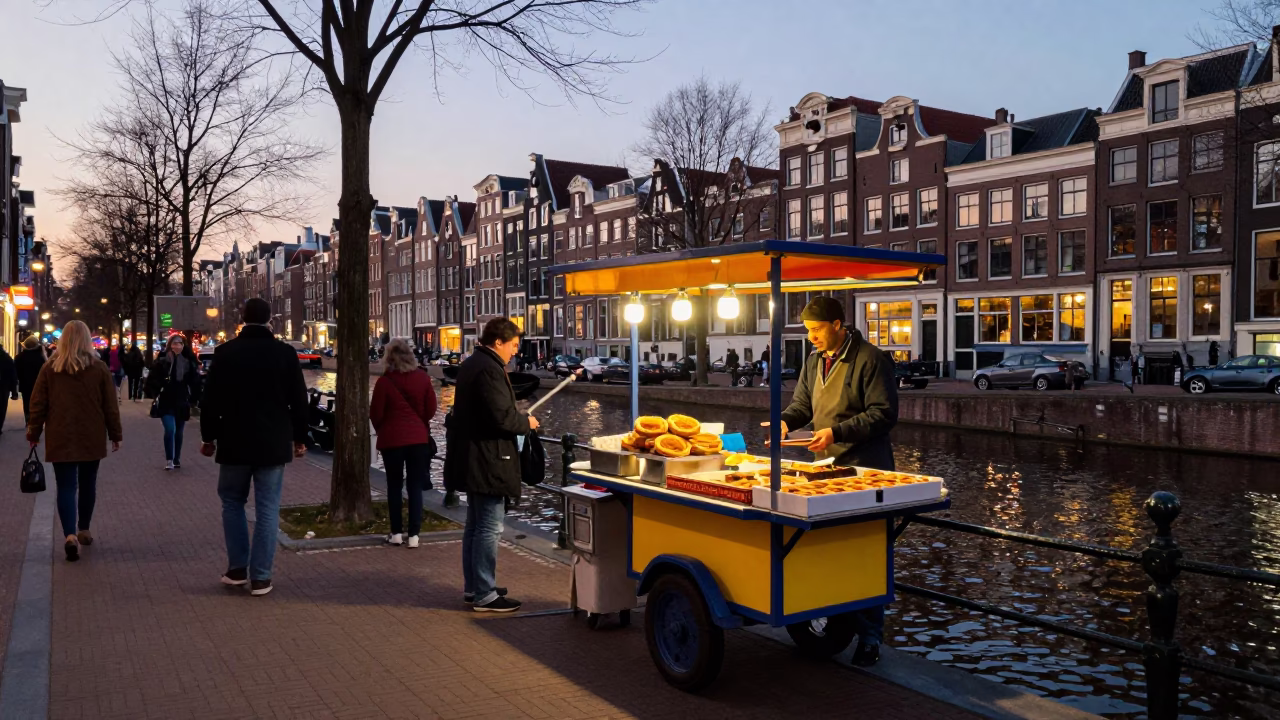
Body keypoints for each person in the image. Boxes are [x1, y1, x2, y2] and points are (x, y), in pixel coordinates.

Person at [762, 297, 896, 667]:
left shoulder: (871, 359)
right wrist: (785, 422)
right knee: (829, 551)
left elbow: (884, 415)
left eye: (817, 330)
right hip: (826, 471)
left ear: (838, 324)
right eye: (807, 332)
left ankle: (870, 639)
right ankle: (833, 624)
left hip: (866, 472)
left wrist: (837, 431)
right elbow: (803, 405)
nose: (812, 338)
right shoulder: (813, 362)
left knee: (865, 554)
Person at [199, 298, 309, 597]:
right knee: (267, 508)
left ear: (242, 318)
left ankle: (237, 569)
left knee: (232, 503)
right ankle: (261, 577)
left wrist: (208, 437)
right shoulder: (285, 354)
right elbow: (299, 400)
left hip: (234, 440)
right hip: (272, 442)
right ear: (270, 319)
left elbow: (209, 401)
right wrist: (300, 437)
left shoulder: (225, 353)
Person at [444, 317, 538, 613]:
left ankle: (475, 587)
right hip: (488, 459)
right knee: (488, 527)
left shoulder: (474, 364)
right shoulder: (489, 370)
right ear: (498, 342)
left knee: (474, 526)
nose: (514, 352)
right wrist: (527, 421)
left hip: (473, 457)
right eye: (512, 345)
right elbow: (501, 418)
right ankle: (485, 593)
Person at [25, 321, 122, 562]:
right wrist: (115, 434)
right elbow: (110, 405)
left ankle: (69, 535)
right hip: (91, 433)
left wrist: (34, 433)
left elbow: (38, 404)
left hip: (60, 433)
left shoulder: (50, 368)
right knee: (89, 483)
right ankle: (84, 529)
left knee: (66, 486)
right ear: (88, 340)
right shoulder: (98, 368)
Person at [370, 339, 438, 548]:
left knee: (394, 486)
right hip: (418, 440)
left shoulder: (384, 382)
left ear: (388, 358)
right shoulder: (423, 379)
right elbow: (431, 409)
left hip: (392, 441)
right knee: (415, 486)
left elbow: (376, 413)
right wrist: (419, 424)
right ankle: (415, 535)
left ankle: (396, 533)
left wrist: (385, 429)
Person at [146, 334, 201, 470]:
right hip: (166, 400)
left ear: (183, 346)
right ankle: (169, 459)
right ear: (170, 345)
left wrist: (194, 398)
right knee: (170, 429)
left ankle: (177, 458)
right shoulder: (162, 361)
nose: (177, 346)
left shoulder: (188, 363)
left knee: (179, 431)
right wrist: (156, 391)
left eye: (180, 343)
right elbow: (152, 380)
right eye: (175, 343)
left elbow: (195, 382)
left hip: (181, 401)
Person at [15, 335, 47, 423]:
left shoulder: (19, 357)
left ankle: (28, 419)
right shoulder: (41, 357)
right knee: (38, 403)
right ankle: (36, 420)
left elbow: (16, 373)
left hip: (25, 385)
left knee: (27, 402)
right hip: (39, 385)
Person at [0, 342, 17, 432]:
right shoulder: (6, 358)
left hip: (4, 386)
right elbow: (12, 375)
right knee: (1, 408)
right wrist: (14, 392)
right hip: (3, 387)